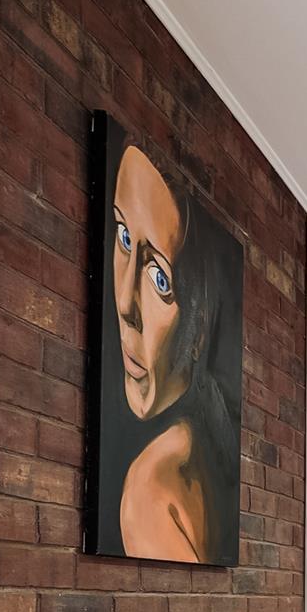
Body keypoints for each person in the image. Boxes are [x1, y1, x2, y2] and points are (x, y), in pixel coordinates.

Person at [108, 142, 237, 564]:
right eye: (123, 236)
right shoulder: (204, 445)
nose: (125, 303)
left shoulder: (150, 492)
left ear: (200, 328)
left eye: (159, 279)